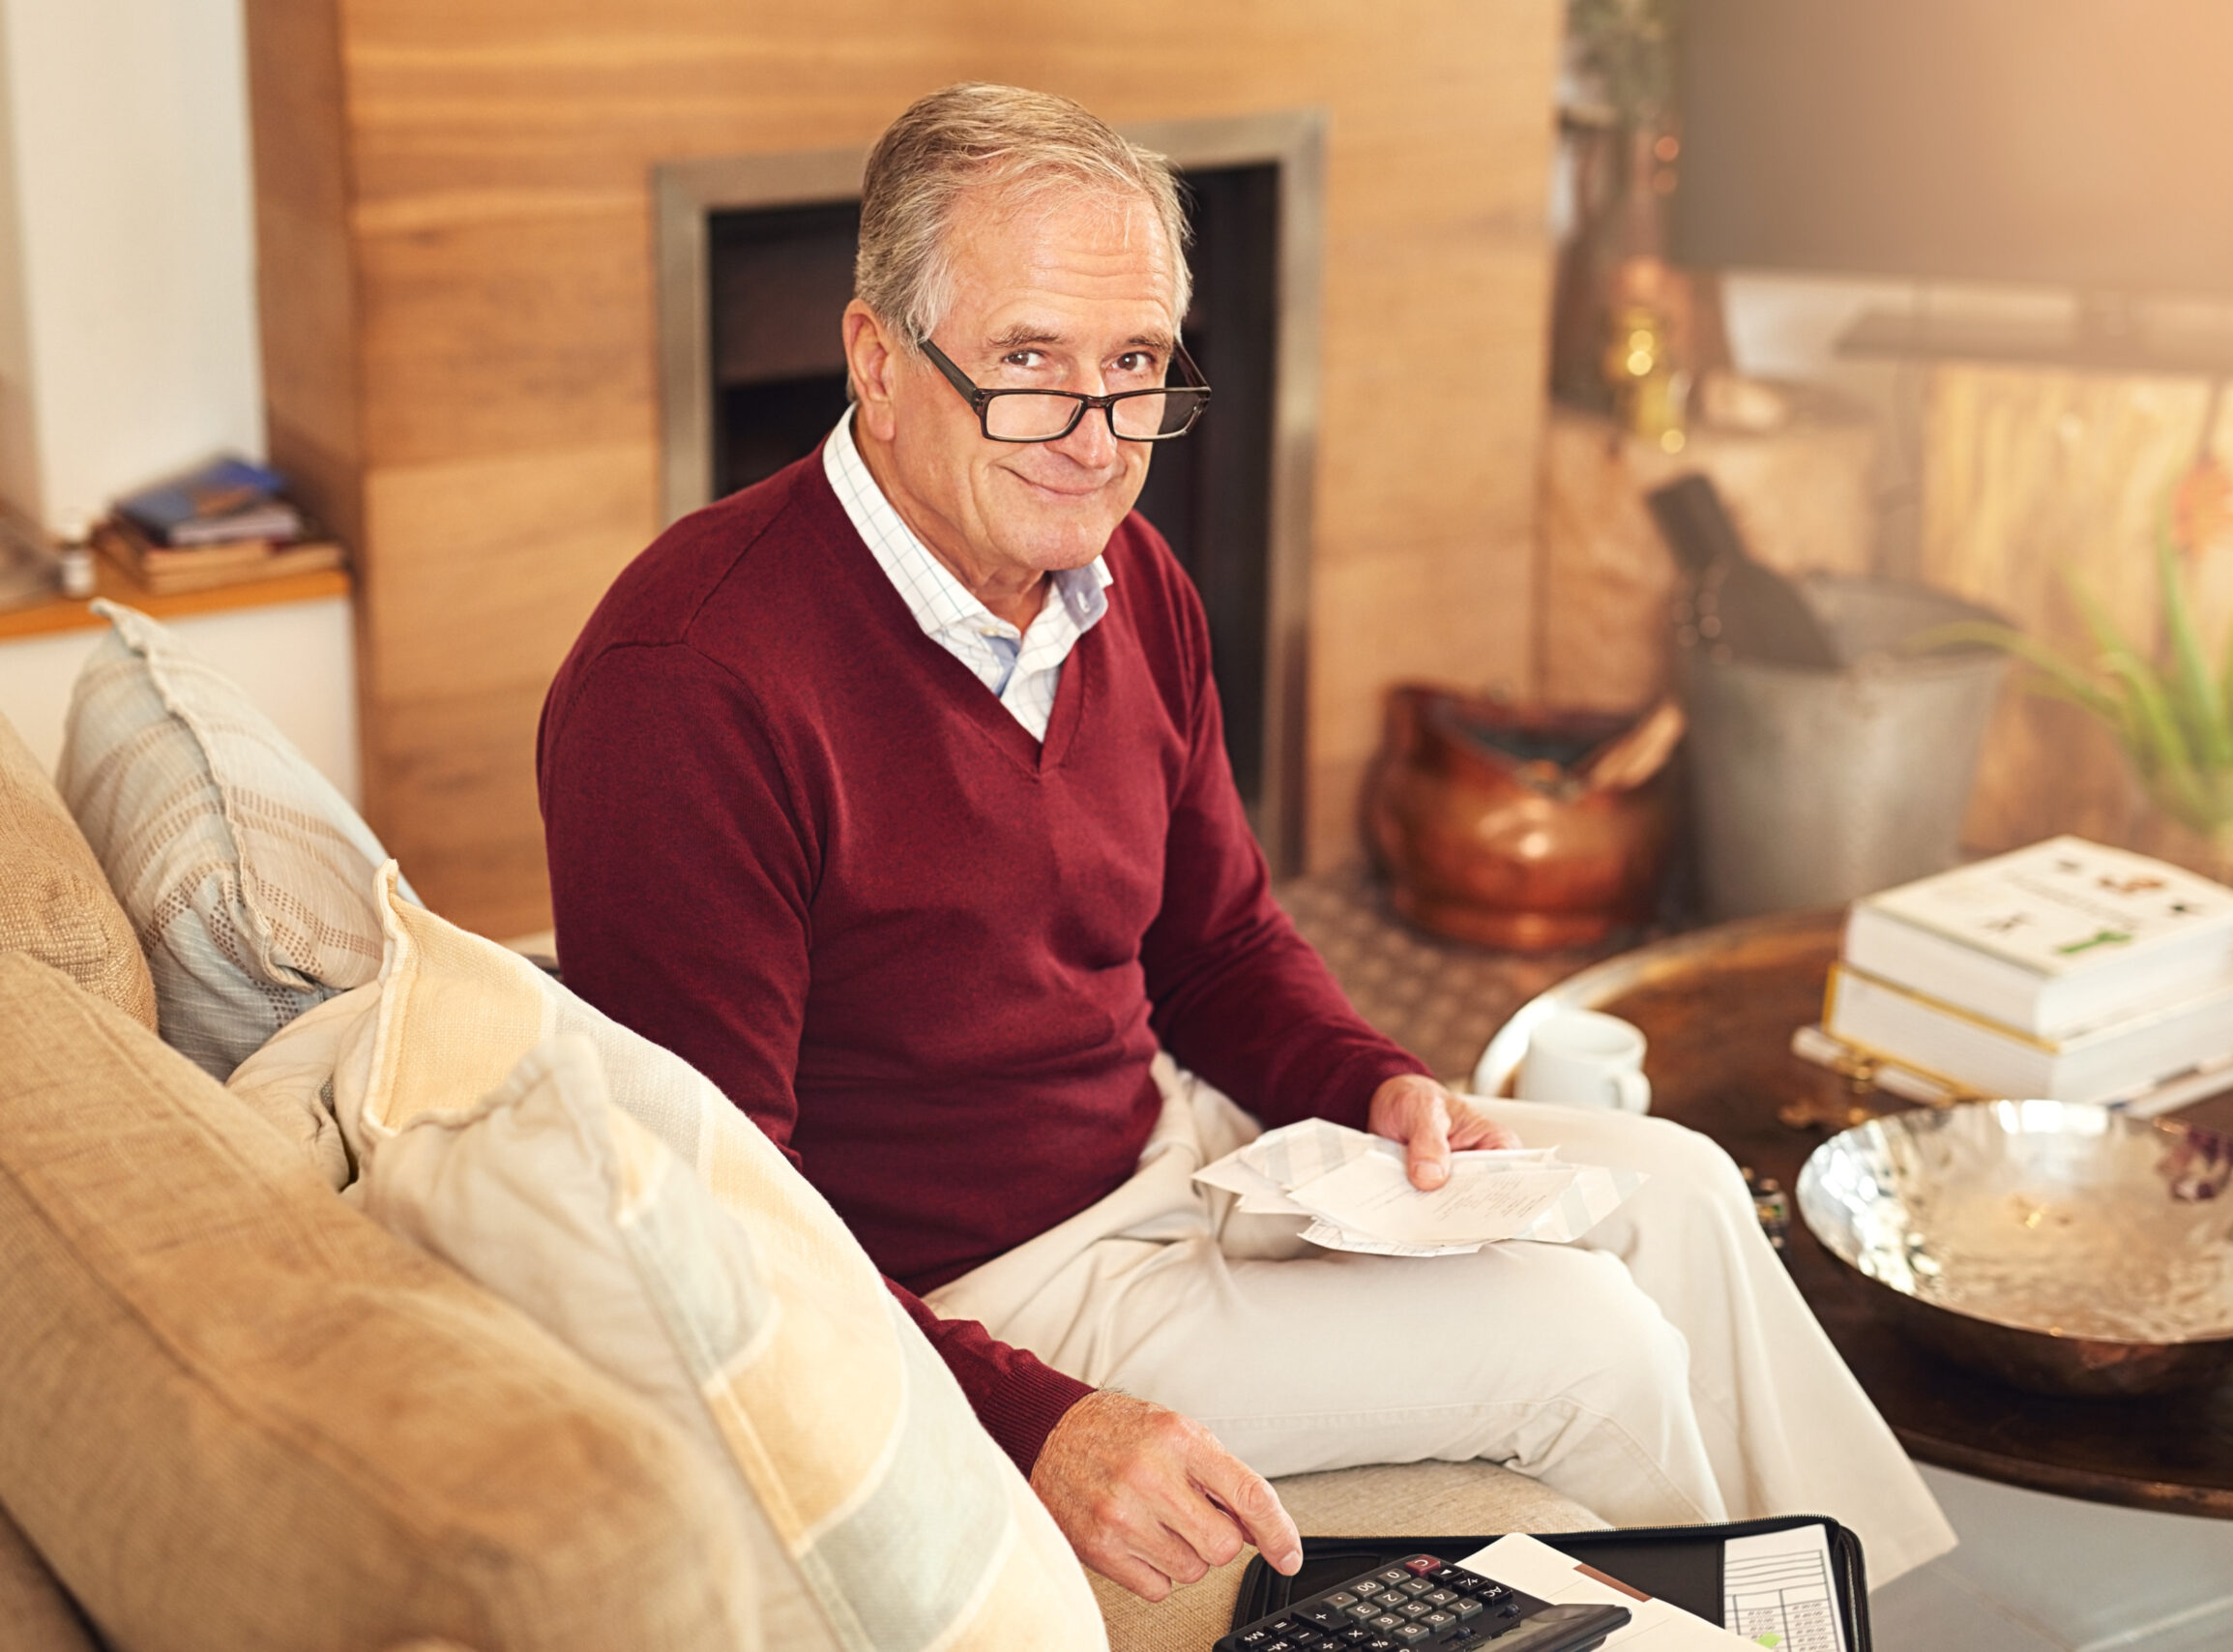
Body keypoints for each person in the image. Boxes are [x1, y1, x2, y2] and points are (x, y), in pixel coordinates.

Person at [538, 81, 1954, 1604]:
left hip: (1179, 1144)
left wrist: (1372, 1081)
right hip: (983, 1282)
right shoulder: (687, 685)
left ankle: (1888, 1627)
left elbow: (1217, 944)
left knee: (1674, 1186)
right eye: (1028, 365)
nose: (1095, 439)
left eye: (1135, 366)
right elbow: (714, 1214)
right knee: (1590, 1352)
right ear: (877, 360)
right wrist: (1034, 1426)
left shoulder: (1124, 578)